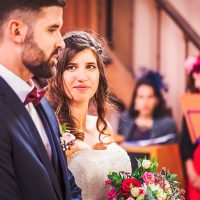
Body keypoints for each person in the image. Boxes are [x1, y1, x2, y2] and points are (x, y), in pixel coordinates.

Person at [0, 1, 82, 200]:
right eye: (52, 29)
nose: (61, 42)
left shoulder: (43, 104)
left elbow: (67, 187)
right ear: (17, 31)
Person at [48, 31, 132, 200]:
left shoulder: (103, 126)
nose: (82, 77)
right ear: (58, 74)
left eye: (90, 67)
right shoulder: (51, 130)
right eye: (71, 67)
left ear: (99, 75)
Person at [118, 68, 178, 145]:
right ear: (135, 100)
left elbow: (171, 153)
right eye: (141, 97)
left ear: (156, 100)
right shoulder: (125, 119)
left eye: (150, 97)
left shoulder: (167, 124)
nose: (145, 102)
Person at [180, 56, 200, 199]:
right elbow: (185, 143)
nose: (197, 85)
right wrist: (191, 172)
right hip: (195, 169)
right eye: (195, 80)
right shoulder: (192, 104)